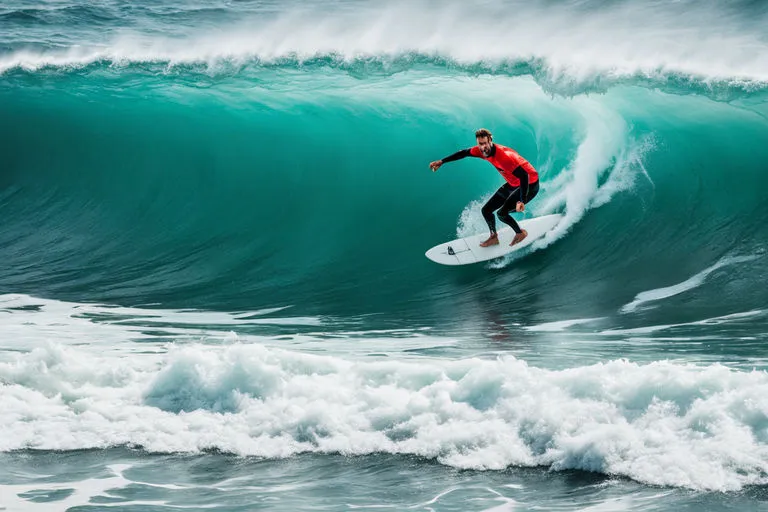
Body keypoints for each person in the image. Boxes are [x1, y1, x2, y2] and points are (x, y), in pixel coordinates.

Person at [429, 128, 539, 247]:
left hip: (530, 183)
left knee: (502, 214)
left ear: (490, 141)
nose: (482, 147)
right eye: (480, 144)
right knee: (486, 210)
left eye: (485, 144)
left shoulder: (504, 157)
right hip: (513, 183)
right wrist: (442, 161)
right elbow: (463, 153)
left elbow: (524, 176)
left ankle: (520, 233)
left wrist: (521, 200)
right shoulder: (481, 151)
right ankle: (493, 237)